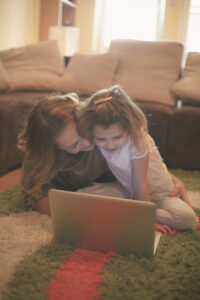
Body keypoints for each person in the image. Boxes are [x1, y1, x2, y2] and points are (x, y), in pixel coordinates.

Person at [18, 92, 193, 234]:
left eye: (84, 132)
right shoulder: (40, 158)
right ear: (53, 149)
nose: (88, 143)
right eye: (74, 145)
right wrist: (115, 217)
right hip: (87, 195)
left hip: (117, 186)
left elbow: (136, 158)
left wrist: (173, 180)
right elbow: (41, 201)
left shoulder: (99, 130)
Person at [78, 85, 198, 233]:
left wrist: (146, 219)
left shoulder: (138, 141)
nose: (109, 144)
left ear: (129, 127)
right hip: (129, 190)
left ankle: (132, 211)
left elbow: (140, 184)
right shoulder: (96, 132)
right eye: (101, 139)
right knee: (81, 199)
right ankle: (130, 207)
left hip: (158, 194)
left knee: (187, 219)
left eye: (117, 137)